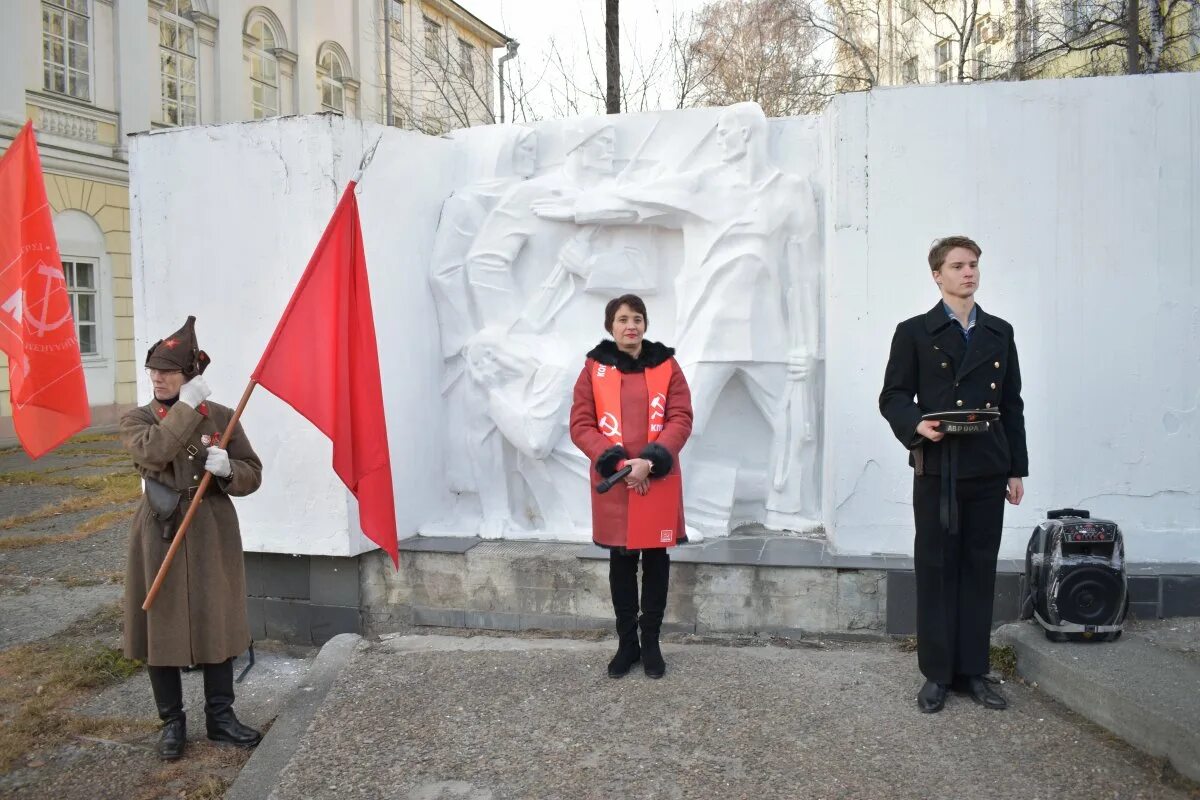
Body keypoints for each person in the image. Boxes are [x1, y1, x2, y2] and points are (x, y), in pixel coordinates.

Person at [879, 237, 1028, 714]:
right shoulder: (914, 332)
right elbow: (894, 396)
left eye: (974, 265)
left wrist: (1016, 468)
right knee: (938, 568)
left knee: (979, 568)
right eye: (959, 266)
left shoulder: (999, 332)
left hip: (987, 464)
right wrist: (915, 425)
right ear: (937, 275)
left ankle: (973, 671)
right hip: (938, 467)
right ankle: (938, 675)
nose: (969, 273)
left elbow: (1012, 405)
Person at [121, 316, 263, 759]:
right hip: (159, 528)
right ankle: (172, 724)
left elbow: (253, 473)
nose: (157, 378)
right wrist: (187, 408)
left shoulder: (221, 417)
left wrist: (227, 472)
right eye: (153, 371)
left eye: (168, 371)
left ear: (190, 374)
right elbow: (156, 451)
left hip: (210, 528)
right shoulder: (137, 418)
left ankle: (221, 719)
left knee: (214, 618)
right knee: (161, 623)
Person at [570, 294, 693, 679]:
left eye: (637, 318)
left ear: (645, 324)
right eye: (622, 319)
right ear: (611, 326)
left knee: (656, 563)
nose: (630, 325)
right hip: (617, 483)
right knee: (622, 564)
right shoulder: (594, 369)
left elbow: (681, 417)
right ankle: (627, 645)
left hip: (656, 479)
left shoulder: (667, 366)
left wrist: (651, 460)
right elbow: (581, 425)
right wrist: (621, 464)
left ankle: (652, 643)